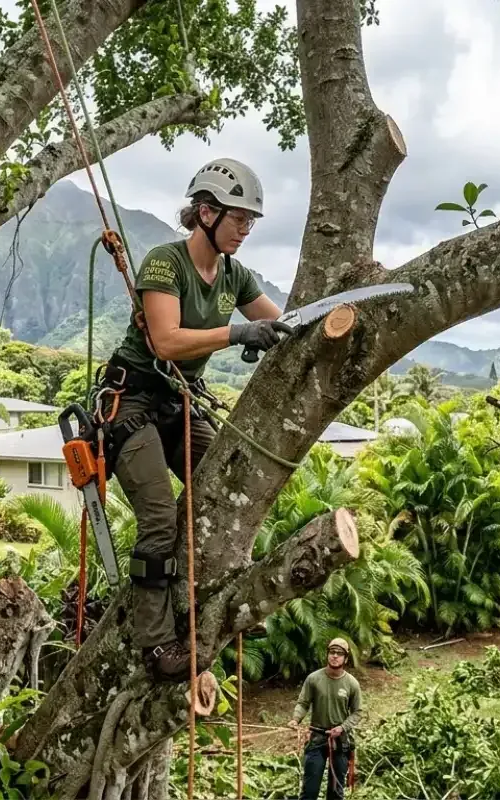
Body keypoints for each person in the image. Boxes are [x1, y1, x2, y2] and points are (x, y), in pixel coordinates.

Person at [97, 158, 291, 681]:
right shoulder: (165, 263)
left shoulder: (235, 274)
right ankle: (156, 646)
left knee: (231, 479)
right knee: (159, 518)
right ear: (206, 213)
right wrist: (237, 335)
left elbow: (278, 321)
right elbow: (166, 340)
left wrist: (293, 327)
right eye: (238, 219)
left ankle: (229, 594)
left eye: (251, 222)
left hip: (178, 402)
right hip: (133, 402)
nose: (245, 230)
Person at [287, 638, 362, 800]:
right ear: (327, 655)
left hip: (340, 741)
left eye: (339, 654)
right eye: (332, 652)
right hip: (317, 738)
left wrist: (342, 728)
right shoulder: (314, 679)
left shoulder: (352, 684)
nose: (335, 656)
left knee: (335, 792)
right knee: (310, 790)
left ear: (346, 658)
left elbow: (357, 712)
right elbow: (303, 703)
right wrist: (296, 719)